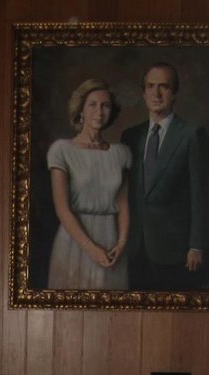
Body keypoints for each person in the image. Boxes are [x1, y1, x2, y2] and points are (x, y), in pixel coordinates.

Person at [120, 62, 209, 292]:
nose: (156, 93)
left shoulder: (191, 135)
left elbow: (200, 196)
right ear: (143, 93)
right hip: (135, 246)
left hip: (175, 250)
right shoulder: (130, 136)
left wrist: (196, 246)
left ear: (175, 93)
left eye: (164, 87)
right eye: (150, 86)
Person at [46, 79, 131, 289]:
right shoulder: (62, 150)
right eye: (92, 105)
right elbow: (62, 209)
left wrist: (121, 243)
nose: (99, 112)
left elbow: (123, 205)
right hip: (74, 241)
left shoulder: (120, 153)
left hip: (111, 240)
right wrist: (91, 249)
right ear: (81, 110)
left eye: (105, 106)